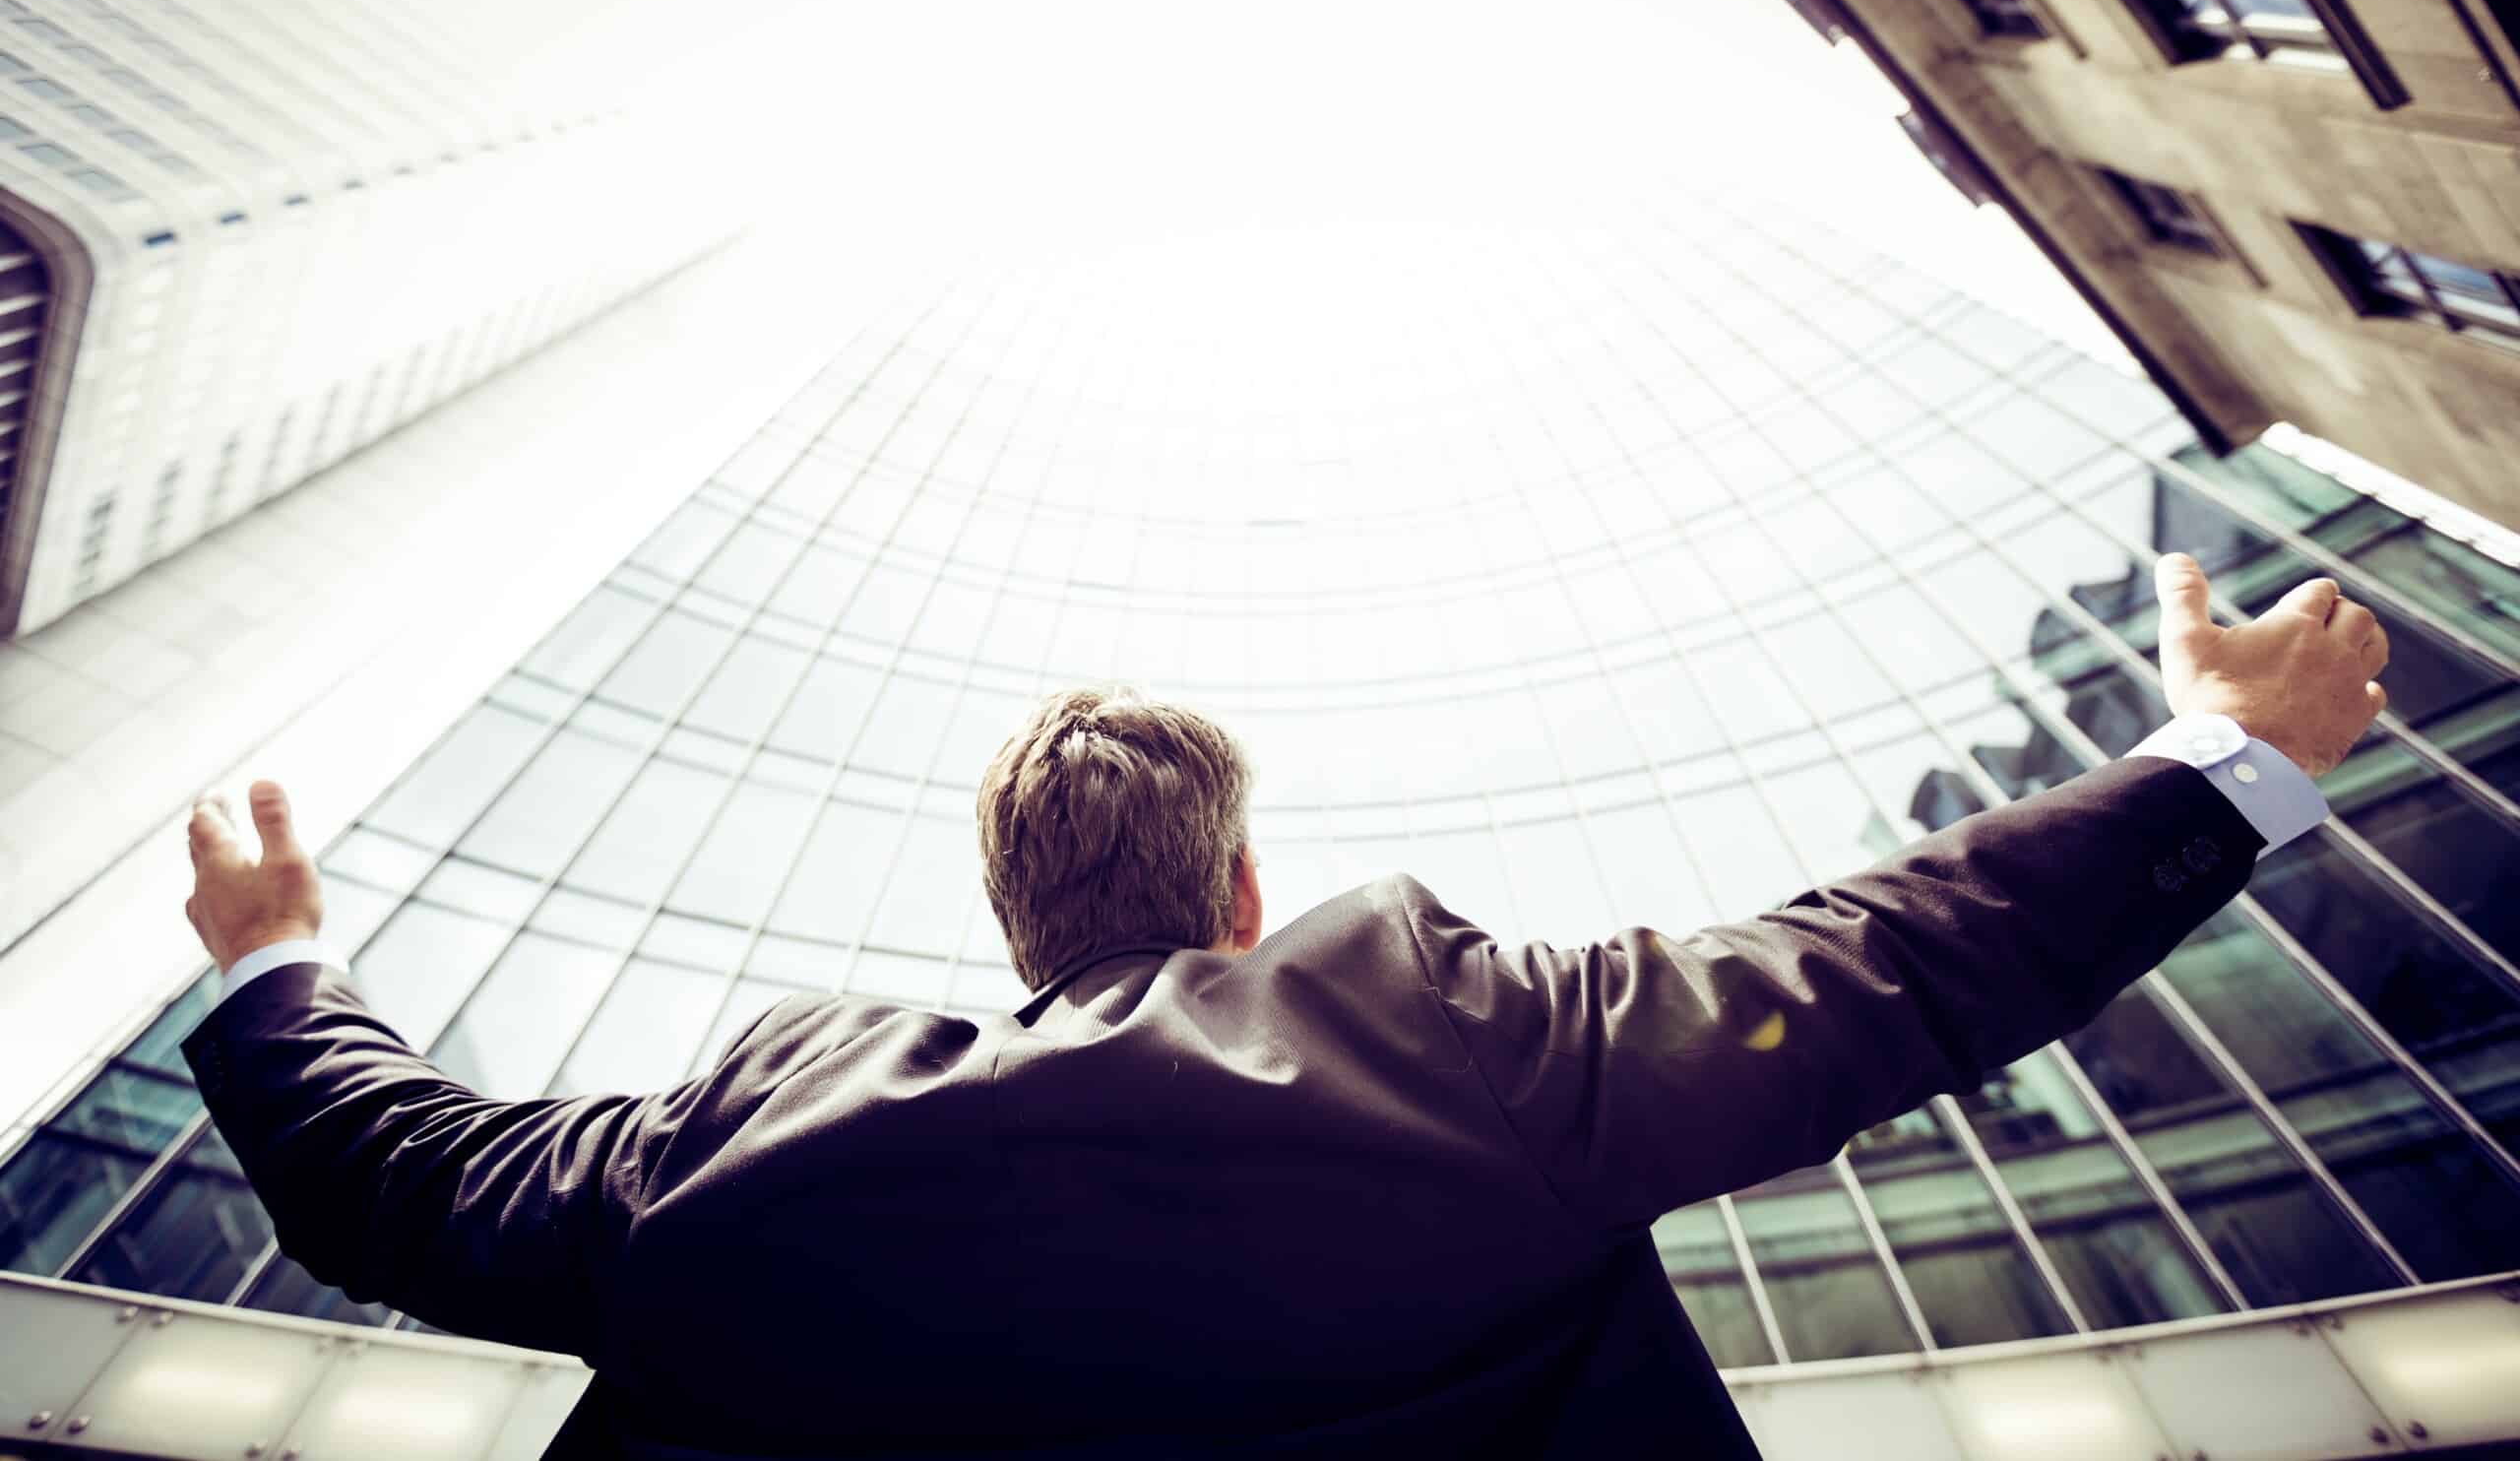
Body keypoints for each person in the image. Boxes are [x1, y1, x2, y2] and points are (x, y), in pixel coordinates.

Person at [178, 552, 2388, 1459]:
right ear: (1239, 893)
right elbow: (1871, 967)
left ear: (1014, 921)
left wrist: (283, 951)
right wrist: (2216, 756)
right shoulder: (1432, 1025)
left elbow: (389, 1177)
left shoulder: (738, 1141)